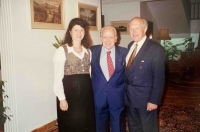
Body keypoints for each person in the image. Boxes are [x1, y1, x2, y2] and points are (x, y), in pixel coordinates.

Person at [53, 18, 96, 132]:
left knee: (86, 124)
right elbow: (57, 79)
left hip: (85, 96)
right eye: (76, 30)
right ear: (70, 32)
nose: (79, 33)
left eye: (81, 30)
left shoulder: (88, 51)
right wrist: (62, 99)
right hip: (70, 96)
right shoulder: (62, 51)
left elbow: (89, 75)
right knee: (71, 125)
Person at [124, 17, 165, 132]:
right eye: (131, 29)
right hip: (129, 97)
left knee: (148, 129)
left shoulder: (155, 48)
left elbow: (159, 77)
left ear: (145, 29)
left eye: (137, 28)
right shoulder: (130, 45)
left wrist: (154, 100)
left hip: (145, 99)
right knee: (134, 127)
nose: (134, 32)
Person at [90, 26, 127, 132]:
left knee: (118, 128)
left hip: (117, 97)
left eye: (111, 37)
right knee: (100, 127)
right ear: (101, 38)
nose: (108, 40)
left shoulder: (124, 52)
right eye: (105, 37)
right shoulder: (92, 51)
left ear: (116, 38)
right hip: (99, 97)